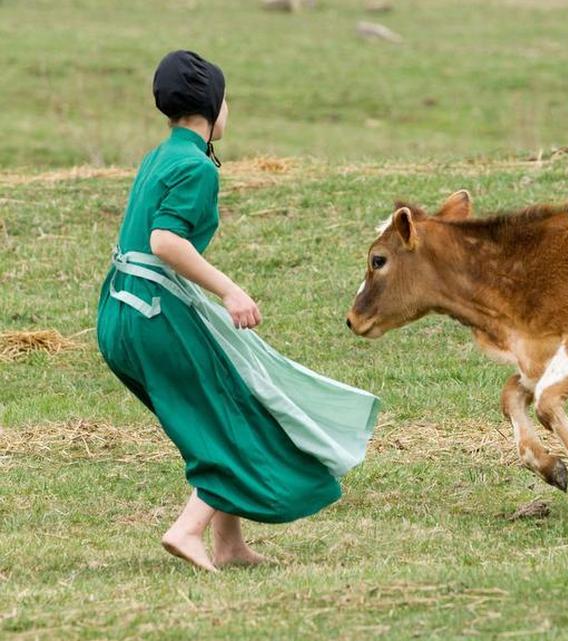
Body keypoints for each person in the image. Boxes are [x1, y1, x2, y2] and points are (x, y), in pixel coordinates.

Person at [96, 50, 380, 572]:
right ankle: (187, 529)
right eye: (227, 99)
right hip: (156, 316)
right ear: (211, 105)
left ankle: (228, 544)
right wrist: (229, 290)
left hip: (119, 313)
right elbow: (164, 241)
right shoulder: (195, 166)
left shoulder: (158, 156)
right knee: (229, 418)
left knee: (214, 415)